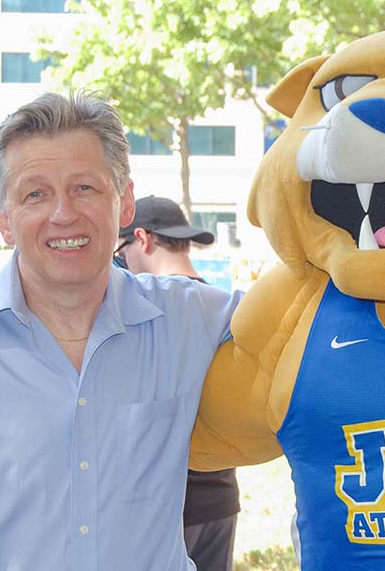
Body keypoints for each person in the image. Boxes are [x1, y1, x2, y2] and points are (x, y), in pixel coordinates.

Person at [0, 91, 241, 570]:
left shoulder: (192, 319)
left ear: (124, 204)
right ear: (3, 220)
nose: (63, 214)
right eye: (35, 193)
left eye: (84, 188)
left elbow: (302, 321)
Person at [117, 195, 241, 571]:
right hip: (220, 500)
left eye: (120, 250)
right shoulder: (222, 310)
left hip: (162, 507)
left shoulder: (145, 314)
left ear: (143, 239)